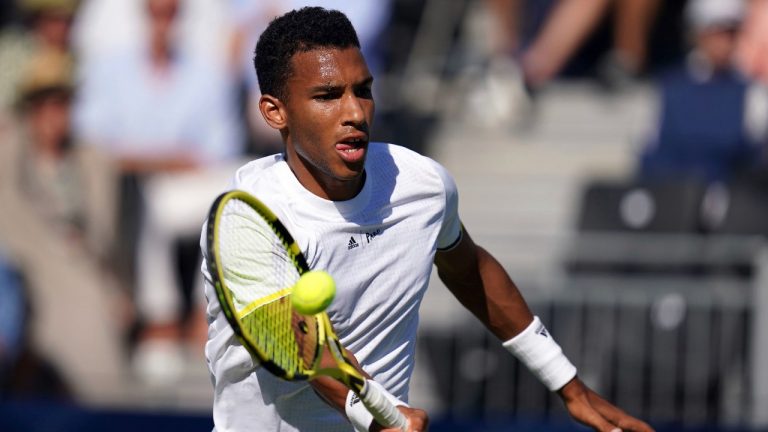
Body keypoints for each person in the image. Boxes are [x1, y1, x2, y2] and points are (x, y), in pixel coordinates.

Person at [200, 7, 654, 432]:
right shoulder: (246, 217)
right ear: (274, 112)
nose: (355, 112)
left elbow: (469, 268)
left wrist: (568, 385)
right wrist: (381, 414)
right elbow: (305, 350)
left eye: (363, 90)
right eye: (327, 96)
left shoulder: (422, 185)